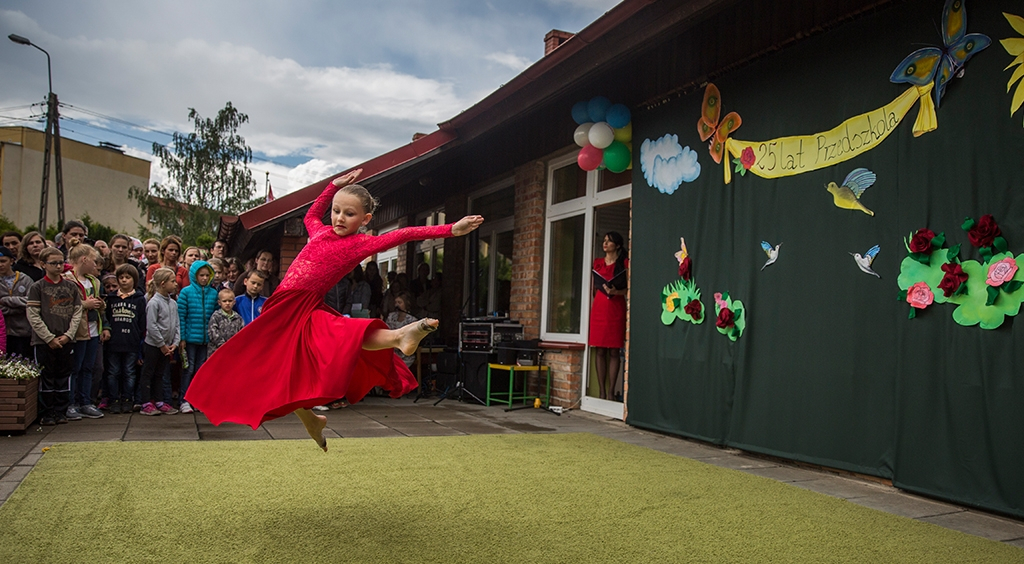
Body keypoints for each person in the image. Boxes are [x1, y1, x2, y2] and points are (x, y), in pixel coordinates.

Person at [185, 169, 483, 451]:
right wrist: (333, 186)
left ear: (365, 219)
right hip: (282, 305)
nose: (340, 217)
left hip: (303, 304)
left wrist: (451, 230)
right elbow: (313, 213)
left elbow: (403, 235)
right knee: (285, 369)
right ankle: (312, 420)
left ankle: (398, 338)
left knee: (338, 334)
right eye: (337, 211)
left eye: (349, 214)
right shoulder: (319, 231)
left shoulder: (359, 244)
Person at [27, 247, 83, 426]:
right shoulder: (38, 287)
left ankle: (61, 410)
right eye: (54, 263)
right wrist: (48, 338)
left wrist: (68, 335)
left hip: (66, 340)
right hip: (44, 341)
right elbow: (33, 315)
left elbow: (77, 312)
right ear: (43, 264)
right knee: (46, 376)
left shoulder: (70, 287)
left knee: (63, 376)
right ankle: (47, 412)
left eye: (61, 262)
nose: (59, 266)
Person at [64, 244, 106, 420]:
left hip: (93, 330)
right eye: (94, 262)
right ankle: (71, 403)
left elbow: (100, 305)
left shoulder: (94, 281)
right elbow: (64, 305)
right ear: (84, 259)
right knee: (75, 368)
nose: (96, 266)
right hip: (77, 332)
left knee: (89, 367)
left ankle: (85, 402)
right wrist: (84, 305)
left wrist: (100, 305)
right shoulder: (67, 280)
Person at [588, 231, 628, 401]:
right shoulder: (597, 263)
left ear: (617, 246)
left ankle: (611, 392)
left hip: (616, 308)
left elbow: (628, 289)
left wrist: (616, 291)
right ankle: (602, 392)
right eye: (604, 241)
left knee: (614, 350)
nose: (605, 244)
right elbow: (592, 288)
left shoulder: (624, 263)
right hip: (599, 308)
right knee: (599, 350)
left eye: (609, 241)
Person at [102, 264, 146, 414]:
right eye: (121, 278)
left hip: (131, 342)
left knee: (129, 372)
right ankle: (114, 400)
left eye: (128, 278)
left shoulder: (139, 299)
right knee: (113, 372)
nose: (124, 281)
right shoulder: (111, 298)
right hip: (114, 342)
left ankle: (128, 399)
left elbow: (142, 322)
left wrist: (140, 343)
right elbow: (106, 318)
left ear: (134, 280)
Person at [176, 260, 218, 414]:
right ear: (194, 275)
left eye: (207, 275)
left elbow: (215, 316)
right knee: (188, 368)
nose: (205, 278)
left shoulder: (213, 294)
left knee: (201, 370)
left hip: (206, 340)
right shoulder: (186, 293)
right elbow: (181, 316)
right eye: (201, 275)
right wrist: (182, 337)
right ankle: (184, 400)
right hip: (190, 339)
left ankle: (198, 399)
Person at [139, 267, 180, 416]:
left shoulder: (173, 303)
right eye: (173, 281)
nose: (176, 284)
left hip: (167, 346)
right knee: (148, 373)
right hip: (154, 345)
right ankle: (145, 402)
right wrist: (162, 345)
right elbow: (151, 326)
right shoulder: (153, 303)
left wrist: (175, 343)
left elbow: (176, 324)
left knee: (160, 373)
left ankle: (159, 400)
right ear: (163, 284)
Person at [0, 246, 35, 359]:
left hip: (23, 332)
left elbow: (31, 301)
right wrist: (18, 307)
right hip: (3, 334)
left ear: (12, 260)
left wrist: (6, 300)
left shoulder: (25, 280)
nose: (1, 265)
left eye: (3, 261)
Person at [385, 291, 418, 368]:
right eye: (396, 302)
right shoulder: (391, 317)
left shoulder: (412, 320)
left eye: (400, 302)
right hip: (392, 352)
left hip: (405, 355)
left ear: (406, 304)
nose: (397, 305)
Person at [207, 289, 242, 357]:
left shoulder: (238, 318)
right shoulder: (216, 316)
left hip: (233, 352)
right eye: (224, 301)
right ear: (219, 302)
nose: (227, 303)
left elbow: (241, 333)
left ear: (234, 302)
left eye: (230, 301)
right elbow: (213, 333)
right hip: (216, 352)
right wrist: (223, 345)